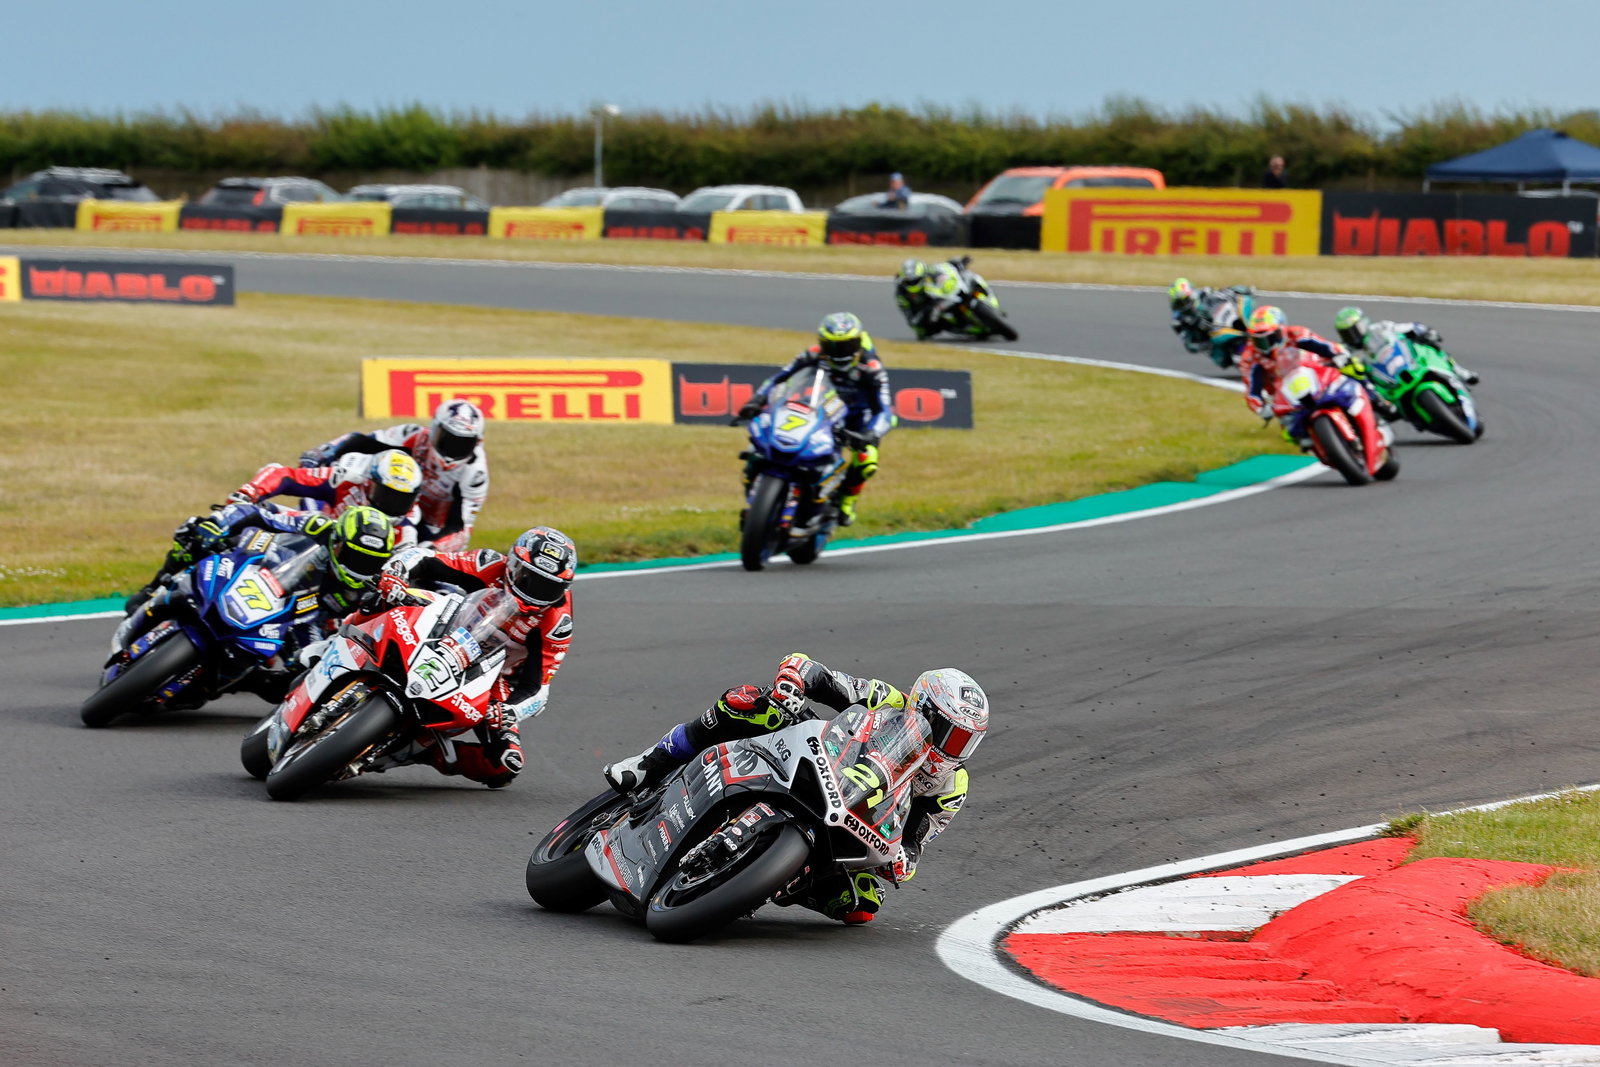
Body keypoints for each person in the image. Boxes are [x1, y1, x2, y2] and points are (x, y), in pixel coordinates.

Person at [603, 652, 988, 925]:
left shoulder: (951, 785)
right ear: (920, 707)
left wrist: (903, 861)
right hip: (824, 759)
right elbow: (819, 674)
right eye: (946, 733)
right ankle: (648, 763)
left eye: (962, 743)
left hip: (857, 817)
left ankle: (765, 880)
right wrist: (793, 682)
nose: (949, 749)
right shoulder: (887, 701)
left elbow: (916, 840)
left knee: (861, 904)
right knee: (750, 702)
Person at [360, 526, 577, 788]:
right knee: (381, 597)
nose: (535, 592)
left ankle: (421, 751)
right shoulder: (489, 564)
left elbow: (538, 688)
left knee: (505, 763)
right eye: (529, 579)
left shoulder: (557, 623)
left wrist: (508, 712)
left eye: (548, 587)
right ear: (514, 564)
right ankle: (329, 647)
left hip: (492, 674)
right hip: (448, 624)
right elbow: (425, 559)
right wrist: (396, 575)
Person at [114, 506, 398, 700]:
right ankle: (156, 588)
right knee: (194, 533)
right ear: (337, 542)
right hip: (264, 574)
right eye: (354, 556)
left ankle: (228, 681)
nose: (359, 567)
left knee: (285, 683)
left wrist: (306, 661)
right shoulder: (316, 525)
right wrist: (219, 525)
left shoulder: (364, 590)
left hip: (296, 619)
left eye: (369, 561)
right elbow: (260, 513)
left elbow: (336, 630)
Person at [737, 312, 894, 526]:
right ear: (822, 343)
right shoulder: (813, 354)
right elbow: (778, 378)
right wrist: (757, 400)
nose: (840, 353)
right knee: (762, 437)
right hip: (819, 407)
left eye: (846, 346)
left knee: (867, 460)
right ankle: (756, 484)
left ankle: (848, 499)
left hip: (857, 415)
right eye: (832, 346)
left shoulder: (871, 368)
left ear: (857, 343)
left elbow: (884, 410)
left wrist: (871, 433)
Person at [297, 400, 489, 551]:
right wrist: (324, 452)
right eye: (448, 439)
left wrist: (429, 549)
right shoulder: (413, 434)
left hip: (430, 532)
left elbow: (460, 529)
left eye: (463, 444)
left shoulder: (475, 474)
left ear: (477, 442)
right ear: (433, 429)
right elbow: (360, 441)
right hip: (390, 509)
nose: (452, 450)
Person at [1241, 305, 1396, 445]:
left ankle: (1377, 400)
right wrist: (1261, 408)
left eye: (1269, 338)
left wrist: (1339, 355)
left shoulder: (1297, 333)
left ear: (1281, 330)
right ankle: (1317, 443)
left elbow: (1326, 346)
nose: (1264, 346)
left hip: (1316, 372)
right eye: (1258, 341)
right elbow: (1251, 391)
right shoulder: (1250, 357)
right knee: (1291, 434)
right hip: (1285, 393)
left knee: (1353, 367)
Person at [229, 448, 423, 539]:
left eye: (401, 499)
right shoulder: (347, 480)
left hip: (336, 582)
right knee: (251, 513)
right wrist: (248, 494)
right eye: (386, 494)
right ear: (369, 483)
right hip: (307, 538)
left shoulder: (406, 530)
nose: (392, 504)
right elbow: (283, 475)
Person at [1333, 307, 1479, 385]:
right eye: (1348, 334)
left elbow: (1404, 327)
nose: (1353, 336)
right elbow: (1339, 364)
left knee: (1429, 345)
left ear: (1364, 323)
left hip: (1401, 360)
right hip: (1381, 382)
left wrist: (1422, 330)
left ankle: (1460, 372)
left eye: (1356, 329)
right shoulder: (1347, 350)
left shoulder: (1380, 327)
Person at [1167, 278, 1256, 368]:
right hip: (1211, 341)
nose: (1182, 305)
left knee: (1247, 316)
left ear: (1191, 294)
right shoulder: (1179, 320)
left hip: (1225, 322)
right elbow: (1189, 345)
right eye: (1178, 303)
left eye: (1184, 300)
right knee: (1222, 360)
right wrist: (1203, 345)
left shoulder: (1204, 294)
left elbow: (1223, 295)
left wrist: (1239, 291)